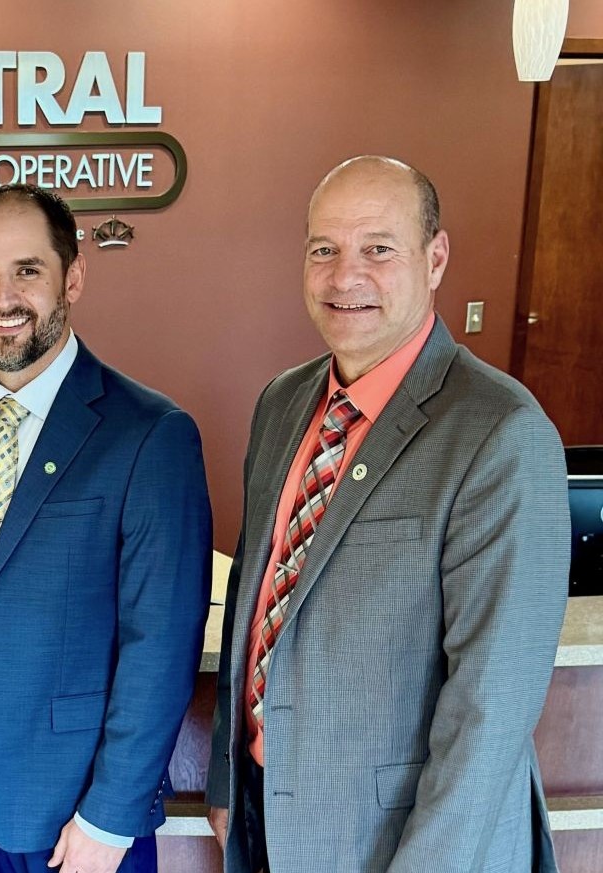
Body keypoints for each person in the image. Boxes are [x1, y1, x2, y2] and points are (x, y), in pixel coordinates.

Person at [206, 156, 570, 873]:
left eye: (378, 247)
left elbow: (488, 715)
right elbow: (255, 593)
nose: (346, 276)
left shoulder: (499, 431)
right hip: (270, 817)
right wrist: (228, 780)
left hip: (404, 845)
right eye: (324, 249)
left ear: (435, 258)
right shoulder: (283, 401)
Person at [0, 184, 212, 873]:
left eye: (27, 270)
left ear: (73, 277)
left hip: (80, 820)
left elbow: (162, 644)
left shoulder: (150, 433)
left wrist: (111, 817)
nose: (5, 297)